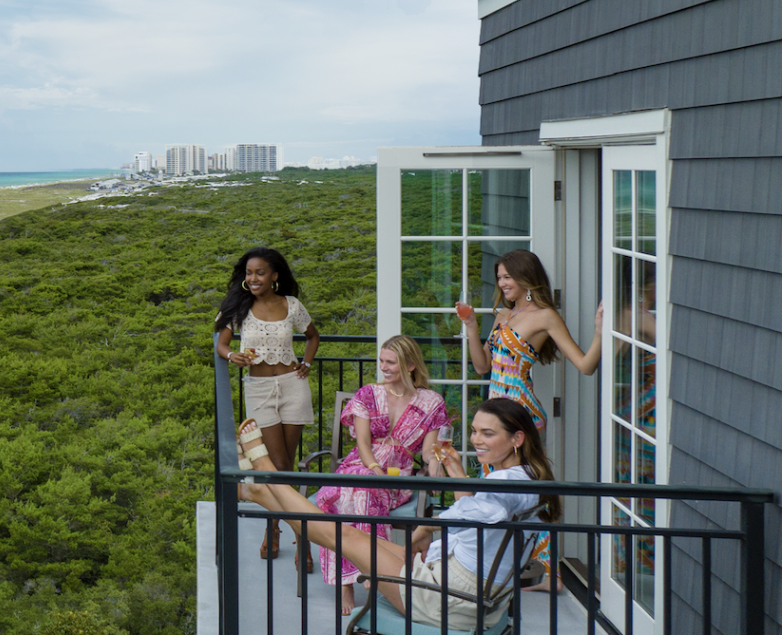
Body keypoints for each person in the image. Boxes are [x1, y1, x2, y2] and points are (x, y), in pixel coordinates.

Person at [235, 398, 561, 630]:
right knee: (352, 534)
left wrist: (428, 527)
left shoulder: (508, 485)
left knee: (340, 533)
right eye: (475, 431)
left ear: (517, 438)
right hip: (463, 585)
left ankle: (266, 474)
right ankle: (262, 492)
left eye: (487, 434)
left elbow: (483, 510)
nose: (476, 439)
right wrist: (455, 471)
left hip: (450, 600)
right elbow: (480, 512)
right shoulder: (529, 476)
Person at [312, 335, 450, 615]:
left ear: (410, 365)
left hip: (397, 476)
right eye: (381, 361)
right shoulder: (368, 394)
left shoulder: (431, 402)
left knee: (357, 493)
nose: (383, 367)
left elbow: (427, 451)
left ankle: (354, 576)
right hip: (362, 465)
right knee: (347, 491)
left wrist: (435, 470)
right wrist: (374, 469)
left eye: (391, 362)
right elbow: (362, 443)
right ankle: (361, 575)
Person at [214, 246, 321, 563]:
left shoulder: (292, 306)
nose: (253, 278)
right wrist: (232, 355)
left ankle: (277, 531)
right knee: (278, 468)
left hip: (293, 386)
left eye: (260, 272)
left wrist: (308, 363)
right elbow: (221, 344)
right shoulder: (239, 307)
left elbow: (313, 337)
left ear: (275, 275)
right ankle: (301, 535)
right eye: (249, 273)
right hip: (258, 389)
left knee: (284, 466)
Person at [455, 249, 603, 431]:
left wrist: (599, 332)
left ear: (526, 278)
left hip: (522, 415)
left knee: (520, 462)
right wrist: (470, 324)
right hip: (495, 414)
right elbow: (482, 367)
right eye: (499, 278)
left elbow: (586, 366)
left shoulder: (545, 316)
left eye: (507, 277)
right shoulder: (503, 315)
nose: (501, 283)